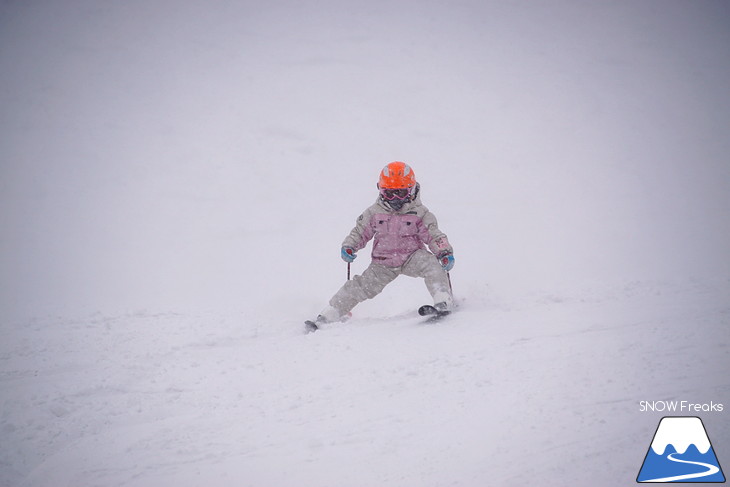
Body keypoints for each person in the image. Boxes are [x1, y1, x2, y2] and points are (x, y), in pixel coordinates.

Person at [312, 161, 455, 325]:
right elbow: (360, 232)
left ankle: (443, 299)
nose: (395, 199)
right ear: (380, 190)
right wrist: (350, 246)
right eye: (389, 193)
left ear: (412, 190)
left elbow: (434, 235)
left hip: (412, 256)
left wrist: (444, 253)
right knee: (360, 286)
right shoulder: (374, 212)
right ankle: (331, 313)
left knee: (432, 265)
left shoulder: (420, 213)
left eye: (401, 193)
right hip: (383, 262)